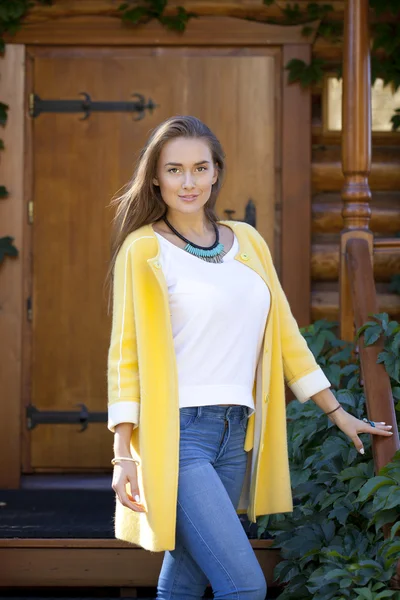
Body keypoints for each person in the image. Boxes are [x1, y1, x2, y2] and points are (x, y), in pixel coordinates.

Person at [105, 115, 393, 600]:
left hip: (235, 433)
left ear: (216, 172)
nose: (188, 181)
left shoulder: (248, 242)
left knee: (186, 580)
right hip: (176, 437)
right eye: (174, 170)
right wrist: (122, 452)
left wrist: (337, 412)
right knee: (244, 585)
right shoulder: (144, 249)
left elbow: (284, 335)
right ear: (155, 177)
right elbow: (125, 357)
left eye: (200, 167)